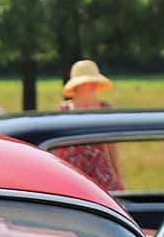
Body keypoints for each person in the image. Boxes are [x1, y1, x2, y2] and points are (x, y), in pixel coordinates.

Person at [53, 59, 124, 192]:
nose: (93, 85)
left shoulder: (105, 109)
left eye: (94, 82)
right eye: (88, 82)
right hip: (71, 166)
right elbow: (57, 144)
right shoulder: (65, 109)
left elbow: (112, 144)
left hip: (98, 166)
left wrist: (117, 175)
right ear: (78, 86)